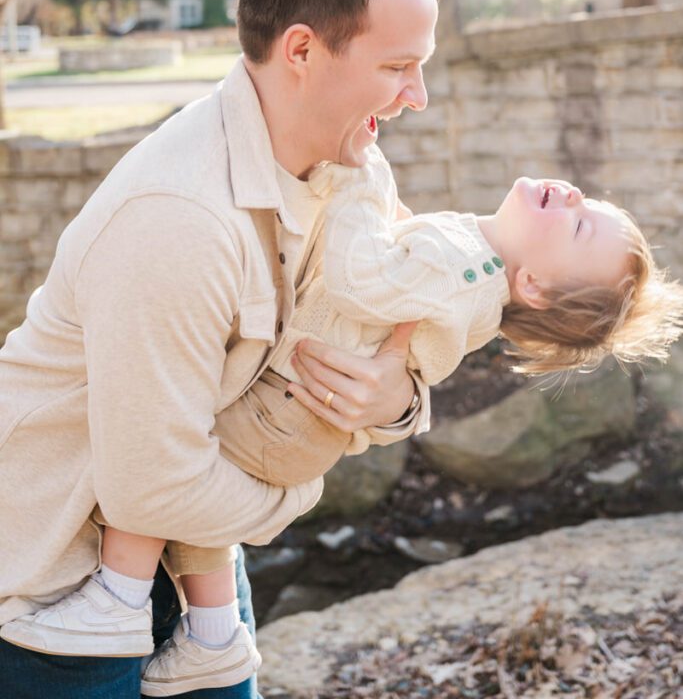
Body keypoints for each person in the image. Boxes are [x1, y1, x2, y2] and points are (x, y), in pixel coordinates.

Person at [6, 147, 683, 695]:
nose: (572, 196)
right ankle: (212, 635)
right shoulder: (473, 263)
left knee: (164, 466)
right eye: (590, 204)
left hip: (284, 415)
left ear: (531, 285)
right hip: (301, 425)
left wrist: (362, 175)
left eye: (578, 224)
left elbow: (364, 277)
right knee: (193, 506)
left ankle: (117, 601)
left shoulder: (467, 267)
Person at [0, 0, 443, 699]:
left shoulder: (350, 169)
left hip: (197, 563)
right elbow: (154, 489)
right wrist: (301, 490)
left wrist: (396, 401)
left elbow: (383, 336)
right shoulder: (178, 215)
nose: (418, 95)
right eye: (398, 67)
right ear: (301, 50)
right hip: (51, 601)